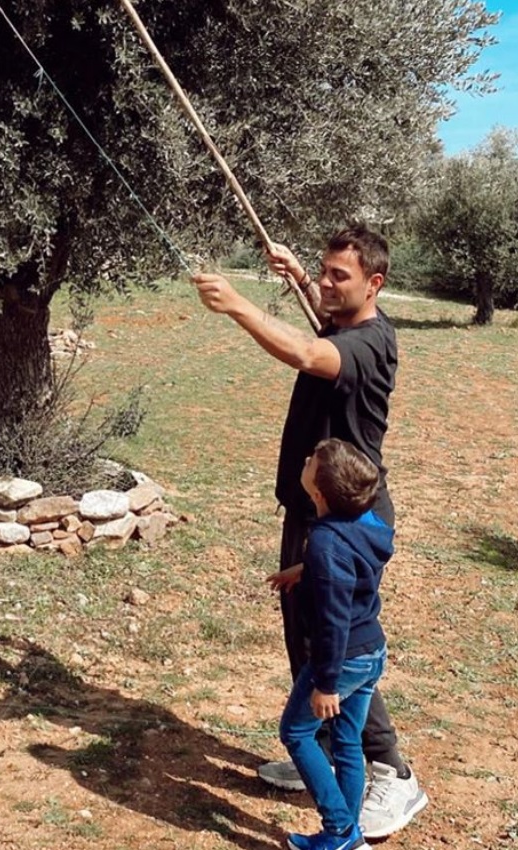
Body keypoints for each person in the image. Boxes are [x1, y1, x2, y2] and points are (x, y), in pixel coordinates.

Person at [192, 225, 427, 839]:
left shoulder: (369, 343)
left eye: (337, 277)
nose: (325, 283)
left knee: (339, 649)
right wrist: (299, 277)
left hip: (345, 524)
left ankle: (393, 774)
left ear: (374, 284)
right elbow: (323, 330)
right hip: (315, 514)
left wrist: (238, 305)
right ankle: (321, 747)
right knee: (305, 639)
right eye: (322, 272)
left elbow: (306, 354)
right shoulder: (345, 324)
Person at [279, 438, 391, 850]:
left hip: (341, 660)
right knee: (346, 740)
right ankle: (351, 830)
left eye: (312, 461)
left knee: (296, 732)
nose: (306, 459)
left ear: (318, 491)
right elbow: (352, 565)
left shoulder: (326, 544)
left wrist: (326, 684)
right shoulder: (367, 523)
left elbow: (332, 623)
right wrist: (306, 571)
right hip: (371, 651)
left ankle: (341, 831)